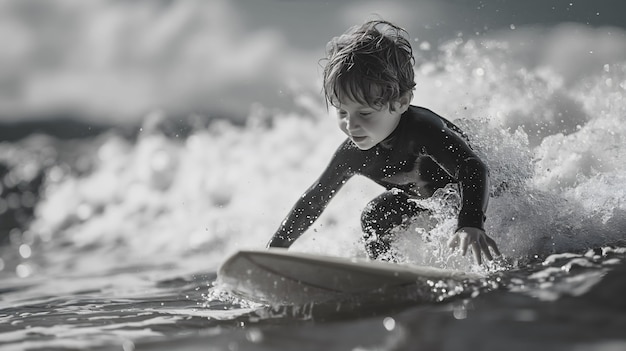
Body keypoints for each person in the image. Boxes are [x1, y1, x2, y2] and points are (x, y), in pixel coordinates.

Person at [266, 19, 501, 265]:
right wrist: (274, 252)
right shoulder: (352, 154)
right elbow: (314, 201)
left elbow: (472, 168)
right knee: (375, 215)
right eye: (342, 112)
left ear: (400, 102)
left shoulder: (423, 131)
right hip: (427, 202)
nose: (351, 125)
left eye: (364, 113)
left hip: (480, 197)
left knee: (479, 213)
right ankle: (385, 270)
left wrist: (470, 223)